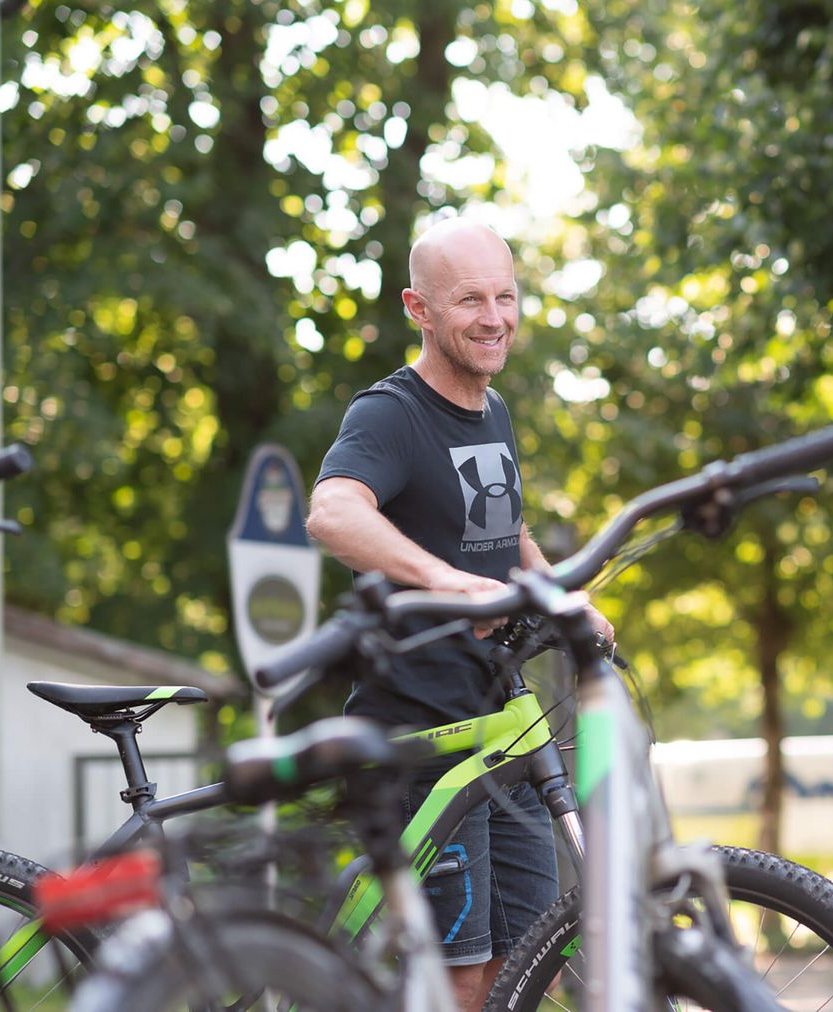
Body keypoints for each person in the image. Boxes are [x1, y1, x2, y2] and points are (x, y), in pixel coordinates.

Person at [306, 216, 611, 1011]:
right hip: (419, 736)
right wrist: (447, 582)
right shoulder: (391, 414)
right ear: (420, 309)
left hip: (500, 730)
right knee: (459, 980)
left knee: (534, 961)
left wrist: (561, 596)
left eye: (505, 296)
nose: (494, 317)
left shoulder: (493, 410)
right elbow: (333, 513)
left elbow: (504, 528)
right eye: (470, 299)